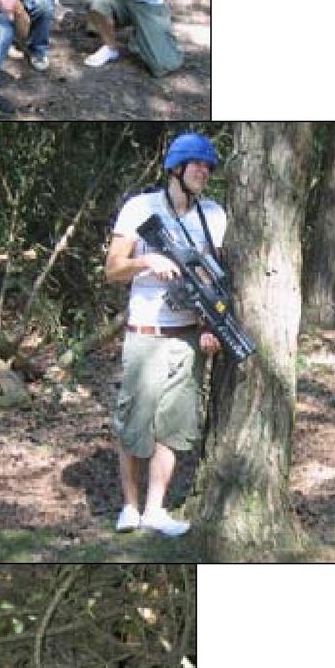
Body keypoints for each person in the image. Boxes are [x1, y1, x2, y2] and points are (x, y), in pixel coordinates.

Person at [104, 133, 225, 538]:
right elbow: (112, 268)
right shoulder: (140, 208)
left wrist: (210, 325)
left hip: (187, 336)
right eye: (197, 164)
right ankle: (130, 507)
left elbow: (209, 279)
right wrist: (147, 262)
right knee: (133, 422)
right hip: (145, 332)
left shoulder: (213, 215)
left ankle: (155, 510)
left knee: (172, 426)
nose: (204, 172)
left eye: (208, 167)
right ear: (176, 167)